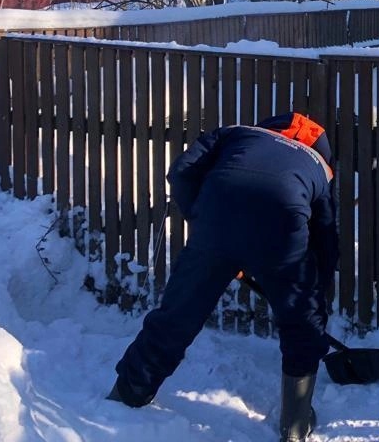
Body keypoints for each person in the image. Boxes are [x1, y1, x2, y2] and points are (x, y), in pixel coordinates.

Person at [107, 111, 338, 442]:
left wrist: (204, 222)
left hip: (219, 211)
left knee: (178, 312)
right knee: (301, 324)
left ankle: (128, 393)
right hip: (283, 223)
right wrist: (312, 292)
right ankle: (295, 423)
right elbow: (325, 236)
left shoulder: (235, 134)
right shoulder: (319, 166)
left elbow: (182, 171)